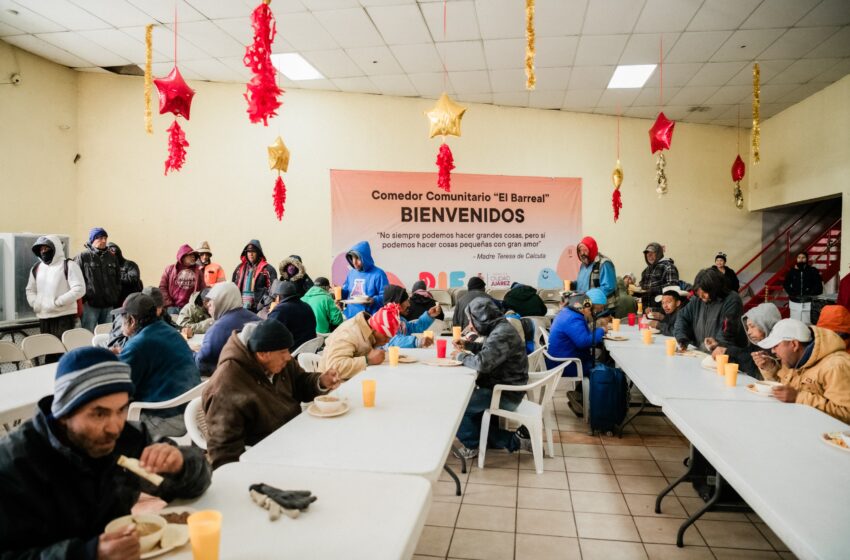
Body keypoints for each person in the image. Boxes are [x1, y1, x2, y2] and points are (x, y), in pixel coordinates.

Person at [0, 347, 211, 559]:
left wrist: (181, 465)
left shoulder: (126, 438)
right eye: (99, 414)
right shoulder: (13, 465)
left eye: (121, 410)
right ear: (63, 413)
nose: (114, 427)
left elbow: (199, 481)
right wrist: (89, 554)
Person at [202, 320, 341, 469]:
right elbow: (224, 451)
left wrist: (321, 381)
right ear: (262, 354)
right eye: (283, 352)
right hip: (267, 457)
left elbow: (300, 382)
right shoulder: (226, 386)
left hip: (296, 436)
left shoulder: (276, 357)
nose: (288, 357)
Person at [451, 298, 530, 459]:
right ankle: (507, 440)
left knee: (457, 407)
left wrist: (460, 356)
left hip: (505, 393)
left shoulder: (501, 333)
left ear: (482, 318)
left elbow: (482, 364)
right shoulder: (500, 328)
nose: (471, 326)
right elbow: (490, 350)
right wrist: (469, 346)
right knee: (468, 406)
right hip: (503, 387)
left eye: (472, 321)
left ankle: (472, 445)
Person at [117, 293, 201, 437]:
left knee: (101, 423)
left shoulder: (138, 344)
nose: (119, 324)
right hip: (193, 413)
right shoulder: (170, 332)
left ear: (131, 320)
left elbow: (118, 388)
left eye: (122, 319)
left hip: (167, 419)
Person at [754, 319, 850, 423]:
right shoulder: (793, 360)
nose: (772, 351)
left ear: (794, 345)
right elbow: (785, 392)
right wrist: (770, 368)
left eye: (776, 345)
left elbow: (847, 412)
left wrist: (798, 397)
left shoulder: (836, 366)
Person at [547, 289, 609, 416]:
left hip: (562, 358)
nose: (596, 313)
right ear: (586, 306)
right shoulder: (574, 319)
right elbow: (583, 341)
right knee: (604, 364)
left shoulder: (569, 313)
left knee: (601, 357)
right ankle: (590, 401)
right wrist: (602, 330)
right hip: (566, 364)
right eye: (595, 309)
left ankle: (579, 395)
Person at [25, 235, 85, 359]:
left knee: (63, 352)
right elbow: (30, 289)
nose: (43, 252)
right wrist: (35, 303)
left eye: (46, 248)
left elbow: (80, 289)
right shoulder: (36, 268)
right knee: (49, 352)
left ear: (55, 247)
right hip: (44, 316)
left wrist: (58, 302)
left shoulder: (69, 265)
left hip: (64, 316)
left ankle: (64, 375)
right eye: (41, 249)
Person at [319, 303, 401, 379]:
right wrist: (367, 360)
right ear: (374, 329)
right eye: (386, 336)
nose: (387, 341)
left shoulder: (368, 331)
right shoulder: (349, 332)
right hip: (331, 386)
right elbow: (333, 368)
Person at [675, 268, 747, 353]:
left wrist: (716, 344)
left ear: (714, 289)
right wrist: (682, 338)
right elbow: (682, 316)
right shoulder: (698, 300)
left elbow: (727, 332)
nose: (701, 297)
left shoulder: (732, 300)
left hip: (725, 355)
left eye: (704, 293)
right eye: (699, 294)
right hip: (703, 353)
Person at [195, 282, 259, 377]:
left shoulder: (218, 329)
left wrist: (192, 353)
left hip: (232, 380)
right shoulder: (257, 319)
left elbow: (202, 364)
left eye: (212, 300)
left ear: (221, 300)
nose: (208, 304)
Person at [711, 302, 781, 379]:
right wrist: (721, 347)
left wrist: (728, 351)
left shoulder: (779, 349)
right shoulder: (758, 343)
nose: (748, 332)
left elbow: (754, 370)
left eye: (752, 326)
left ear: (765, 324)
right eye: (748, 328)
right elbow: (745, 358)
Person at [75, 227, 122, 331]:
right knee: (88, 333)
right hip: (90, 304)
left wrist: (115, 294)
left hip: (108, 304)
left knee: (107, 333)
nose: (104, 241)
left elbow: (118, 279)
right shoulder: (83, 256)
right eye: (100, 238)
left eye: (105, 238)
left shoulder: (112, 257)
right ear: (93, 240)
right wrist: (86, 297)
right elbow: (77, 279)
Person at [107, 287, 177, 351]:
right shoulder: (125, 318)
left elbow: (172, 326)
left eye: (160, 308)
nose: (156, 312)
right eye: (155, 309)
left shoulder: (160, 314)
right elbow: (114, 343)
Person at [340, 241, 389, 319]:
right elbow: (346, 292)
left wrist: (374, 300)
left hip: (369, 319)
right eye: (352, 258)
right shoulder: (351, 273)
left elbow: (386, 297)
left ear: (365, 258)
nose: (354, 262)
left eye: (357, 258)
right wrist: (339, 292)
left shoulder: (379, 274)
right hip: (350, 317)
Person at [268, 281, 317, 351]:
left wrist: (271, 312)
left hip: (291, 352)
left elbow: (269, 332)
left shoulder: (281, 310)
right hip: (309, 349)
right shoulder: (306, 306)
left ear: (278, 296)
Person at [233, 239, 277, 313]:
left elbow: (273, 290)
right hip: (241, 308)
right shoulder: (239, 268)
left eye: (253, 251)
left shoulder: (267, 269)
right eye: (249, 252)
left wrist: (264, 304)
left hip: (259, 309)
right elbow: (233, 285)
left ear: (259, 253)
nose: (251, 254)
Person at [159, 244, 204, 315]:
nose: (193, 256)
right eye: (190, 254)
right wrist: (169, 305)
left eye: (194, 255)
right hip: (172, 308)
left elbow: (202, 290)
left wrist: (196, 307)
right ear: (182, 256)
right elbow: (162, 287)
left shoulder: (198, 272)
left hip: (190, 309)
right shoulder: (169, 269)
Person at [575, 236, 617, 309]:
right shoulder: (583, 265)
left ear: (592, 249)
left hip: (603, 308)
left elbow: (608, 287)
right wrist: (572, 285)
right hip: (587, 306)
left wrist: (589, 295)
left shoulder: (604, 263)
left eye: (585, 250)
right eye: (580, 251)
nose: (582, 253)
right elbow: (583, 284)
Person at [783, 252, 823, 324]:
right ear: (797, 259)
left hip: (808, 303)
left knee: (807, 324)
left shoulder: (812, 271)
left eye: (803, 257)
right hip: (794, 303)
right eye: (799, 257)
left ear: (807, 259)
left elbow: (819, 286)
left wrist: (810, 293)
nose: (801, 259)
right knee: (795, 323)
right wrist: (792, 293)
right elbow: (786, 284)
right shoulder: (792, 271)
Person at [638, 242, 679, 309]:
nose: (649, 255)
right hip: (646, 309)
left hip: (662, 310)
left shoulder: (668, 266)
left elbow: (672, 287)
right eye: (647, 253)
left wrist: (652, 290)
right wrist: (637, 289)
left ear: (659, 253)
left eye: (652, 253)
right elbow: (642, 288)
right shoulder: (646, 270)